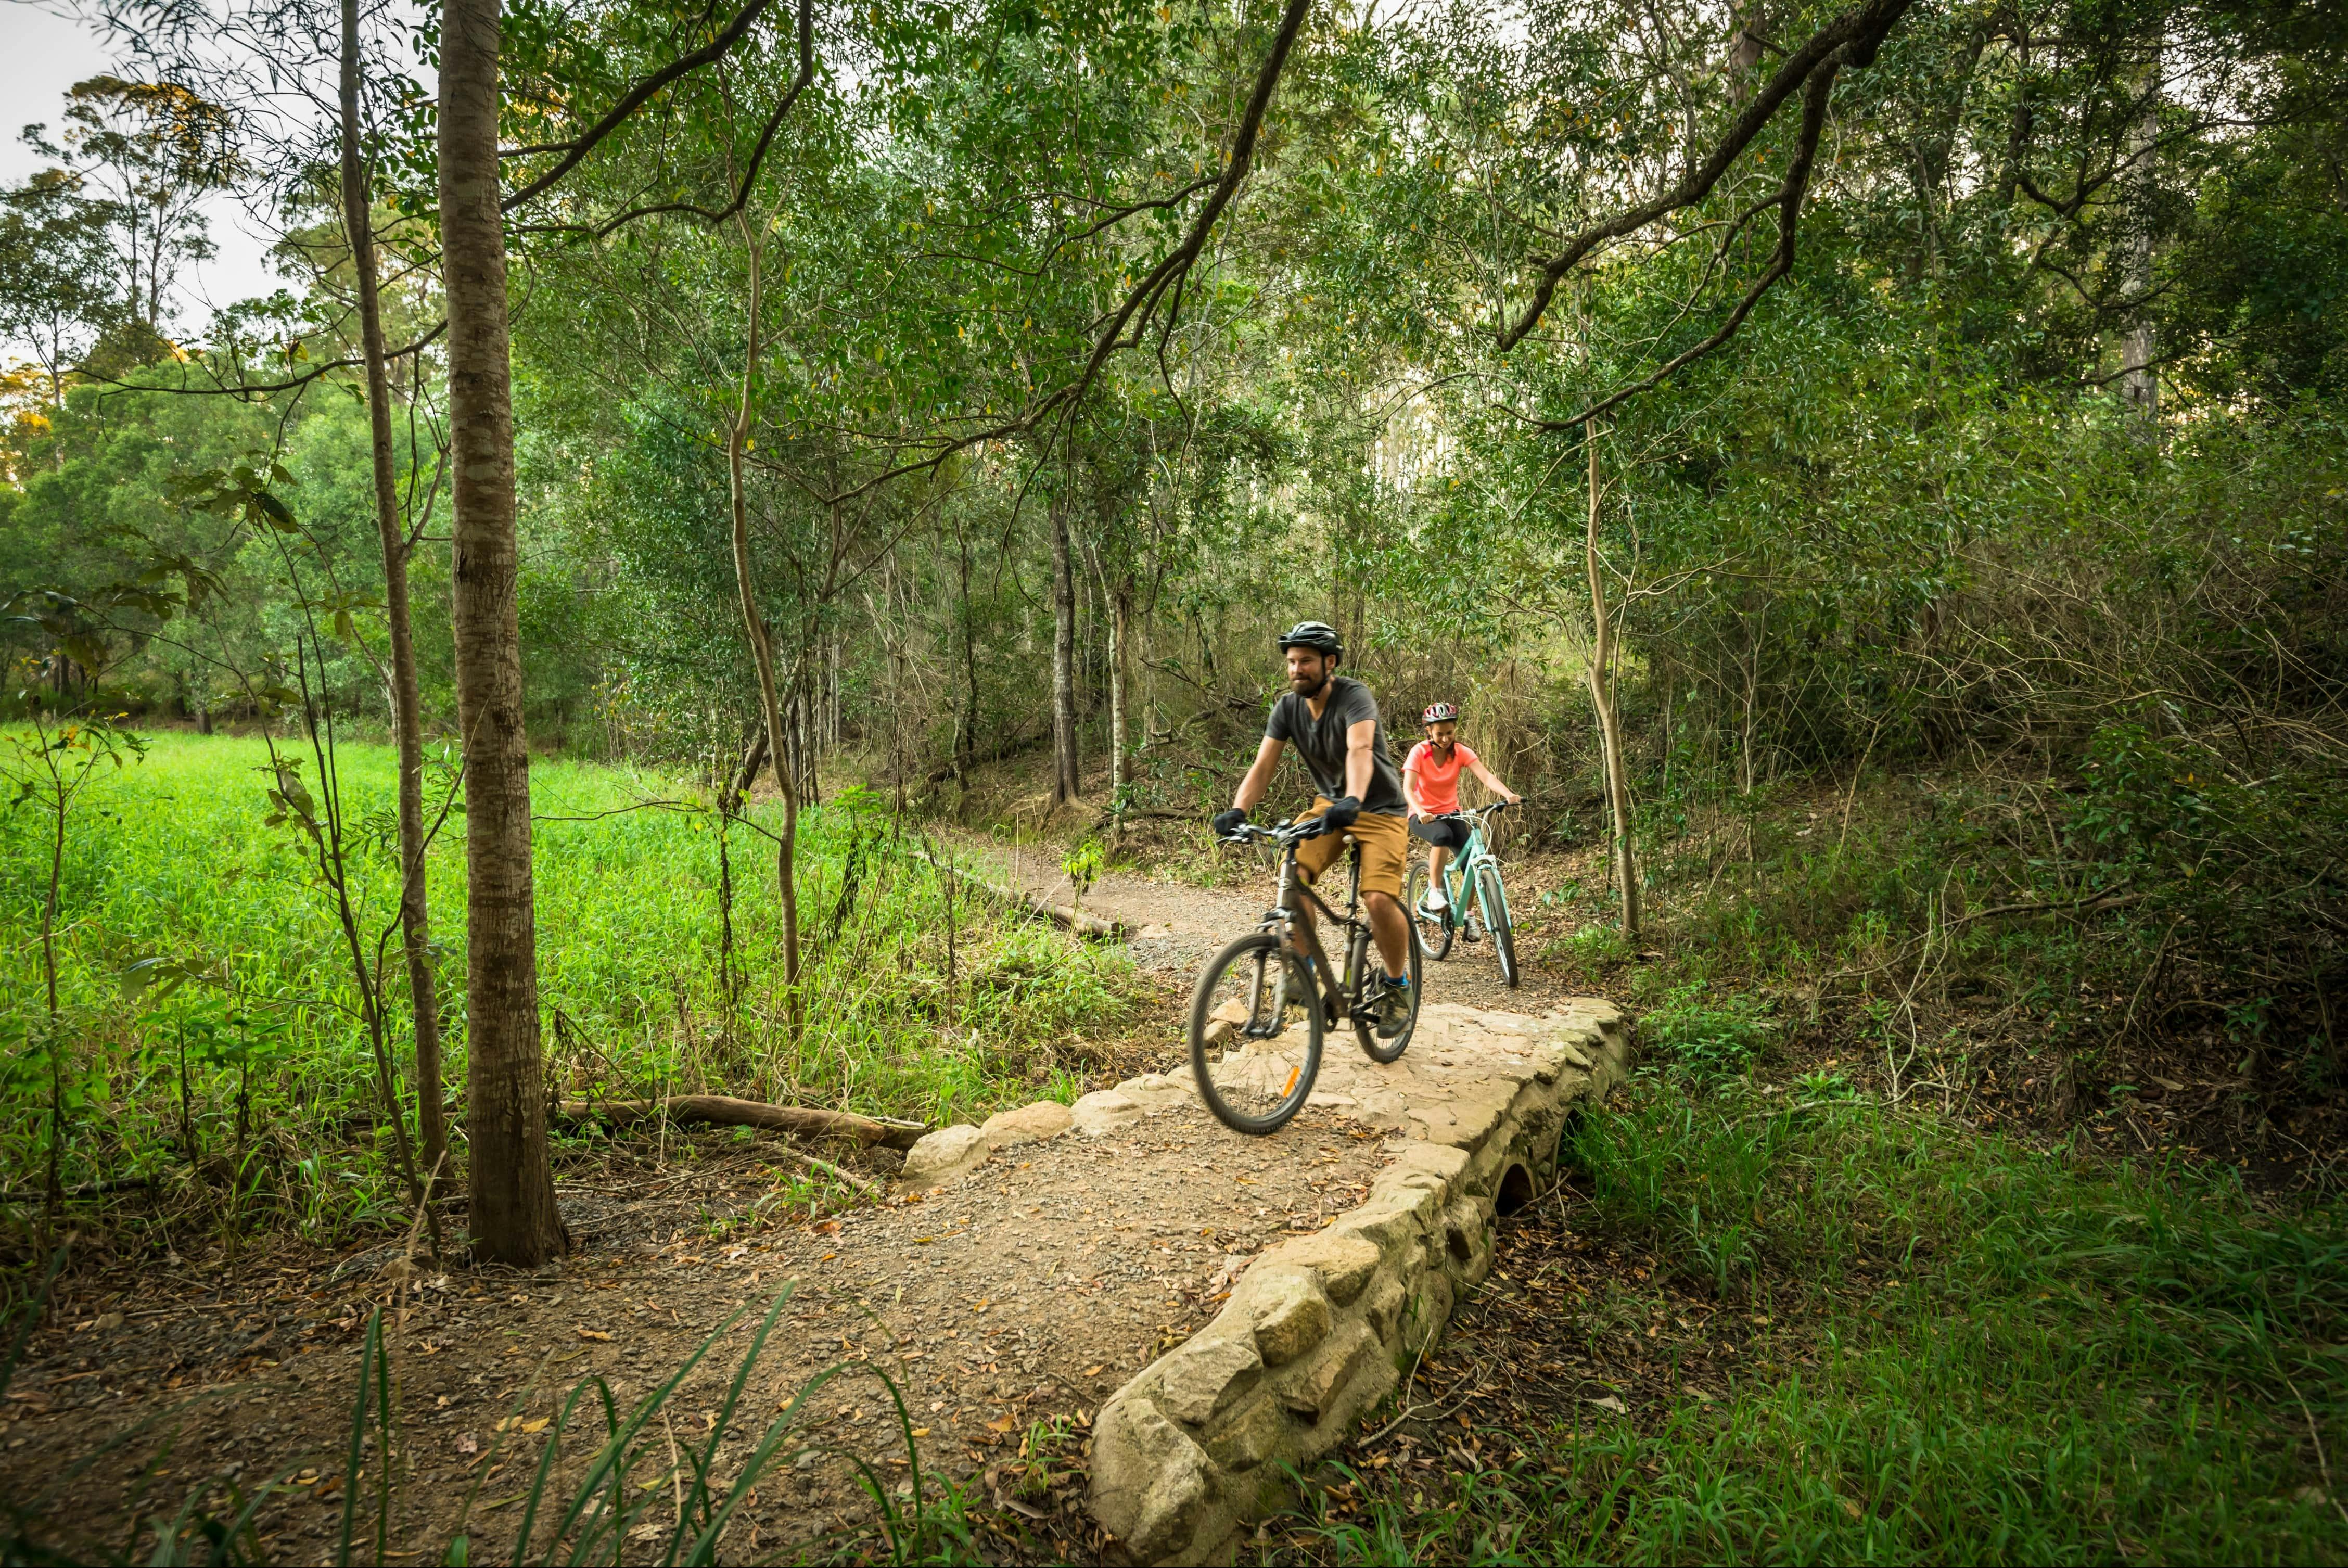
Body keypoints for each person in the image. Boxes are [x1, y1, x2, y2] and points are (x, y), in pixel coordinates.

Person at [1210, 621, 1415, 1036]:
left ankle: (1398, 984)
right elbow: (1263, 767)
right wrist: (1237, 809)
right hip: (1330, 808)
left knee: (1378, 899)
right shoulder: (1288, 708)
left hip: (1380, 809)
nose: (1296, 669)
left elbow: (1360, 748)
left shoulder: (1354, 696)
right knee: (1294, 873)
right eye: (1291, 662)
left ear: (1330, 662)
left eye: (1306, 660)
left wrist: (1353, 797)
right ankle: (1303, 972)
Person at [1402, 702, 1521, 918]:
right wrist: (1420, 811)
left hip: (1452, 813)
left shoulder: (1460, 752)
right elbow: (1408, 789)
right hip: (1423, 815)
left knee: (1470, 865)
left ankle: (1467, 915)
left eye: (1449, 733)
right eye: (1440, 734)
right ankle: (1435, 891)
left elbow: (1486, 777)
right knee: (1442, 836)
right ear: (1429, 731)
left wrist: (1508, 794)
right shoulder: (1419, 752)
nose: (1445, 738)